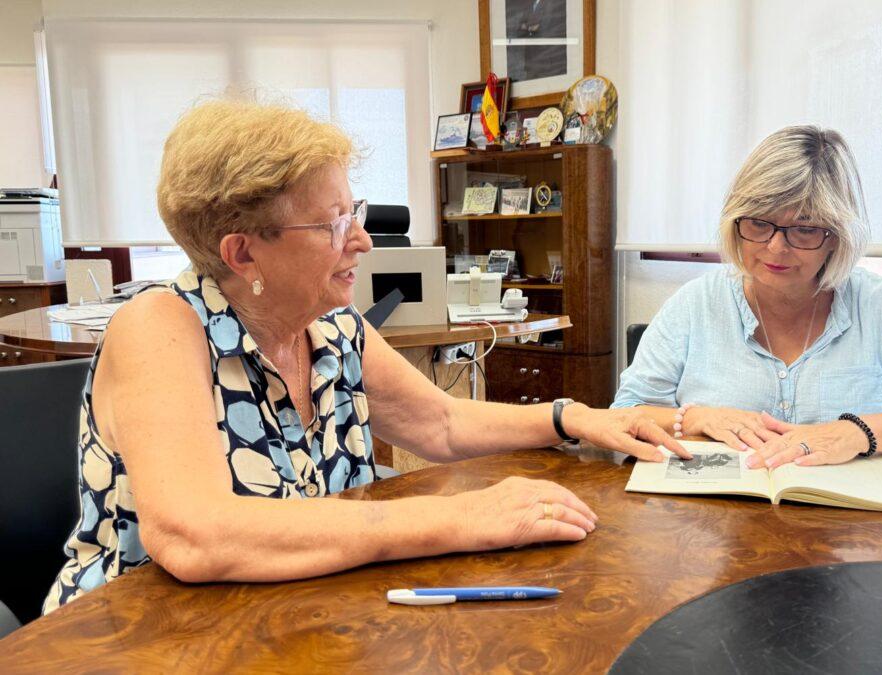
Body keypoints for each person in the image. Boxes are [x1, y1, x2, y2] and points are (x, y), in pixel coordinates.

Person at [44, 99, 688, 614]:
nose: (361, 241)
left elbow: (439, 423)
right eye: (331, 224)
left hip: (305, 613)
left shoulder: (333, 325)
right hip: (146, 632)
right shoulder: (159, 325)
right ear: (242, 253)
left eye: (353, 211)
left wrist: (574, 417)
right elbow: (195, 535)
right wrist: (454, 518)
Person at [612, 125, 882, 470]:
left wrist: (856, 433)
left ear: (837, 237)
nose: (776, 248)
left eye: (805, 230)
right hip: (716, 528)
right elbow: (624, 414)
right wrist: (693, 417)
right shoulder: (694, 305)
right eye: (759, 223)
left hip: (853, 530)